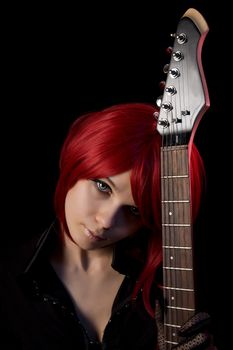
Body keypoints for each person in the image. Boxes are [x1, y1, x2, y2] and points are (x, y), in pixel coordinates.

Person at [0, 103, 216, 349]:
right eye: (103, 187)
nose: (106, 222)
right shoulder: (6, 276)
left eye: (134, 211)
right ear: (75, 159)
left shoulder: (175, 291)